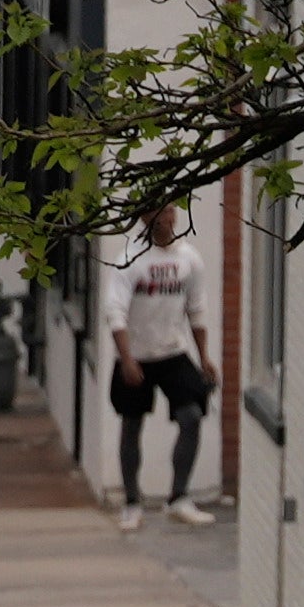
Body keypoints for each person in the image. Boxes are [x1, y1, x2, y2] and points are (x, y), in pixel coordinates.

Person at [109, 201, 217, 528]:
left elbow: (196, 311)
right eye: (159, 213)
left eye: (170, 211)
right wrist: (126, 359)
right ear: (145, 218)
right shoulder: (130, 259)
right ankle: (131, 502)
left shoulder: (188, 259)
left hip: (173, 351)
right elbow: (116, 313)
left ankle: (179, 497)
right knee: (132, 423)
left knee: (192, 416)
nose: (167, 219)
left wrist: (204, 358)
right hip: (137, 355)